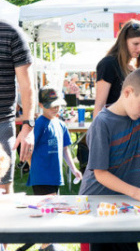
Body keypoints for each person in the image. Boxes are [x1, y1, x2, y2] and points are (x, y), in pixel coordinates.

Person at [79, 68, 140, 251]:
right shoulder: (102, 123)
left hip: (125, 202)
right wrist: (137, 193)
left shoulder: (137, 118)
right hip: (97, 204)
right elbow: (101, 174)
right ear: (128, 92)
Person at [27, 86, 82, 251]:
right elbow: (29, 149)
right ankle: (48, 245)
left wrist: (74, 169)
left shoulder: (60, 124)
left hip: (55, 176)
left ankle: (46, 245)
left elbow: (66, 149)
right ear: (41, 105)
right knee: (48, 212)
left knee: (51, 211)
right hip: (42, 177)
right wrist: (34, 168)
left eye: (57, 105)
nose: (56, 108)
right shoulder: (39, 124)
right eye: (51, 105)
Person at [0, 21, 35, 195]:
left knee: (3, 191)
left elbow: (27, 85)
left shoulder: (11, 33)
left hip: (2, 123)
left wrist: (28, 127)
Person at [93, 19, 140, 118]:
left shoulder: (135, 68)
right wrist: (97, 132)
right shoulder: (108, 64)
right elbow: (100, 105)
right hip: (113, 128)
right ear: (124, 42)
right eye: (135, 44)